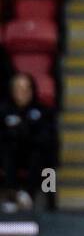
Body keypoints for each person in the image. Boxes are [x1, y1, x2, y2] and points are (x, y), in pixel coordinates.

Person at [0, 72, 55, 212]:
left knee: (44, 160)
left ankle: (33, 198)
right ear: (12, 91)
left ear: (32, 90)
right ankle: (12, 195)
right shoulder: (4, 110)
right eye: (18, 88)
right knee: (7, 149)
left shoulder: (42, 111)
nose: (22, 93)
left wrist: (26, 131)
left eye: (26, 88)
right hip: (10, 158)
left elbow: (48, 138)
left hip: (35, 158)